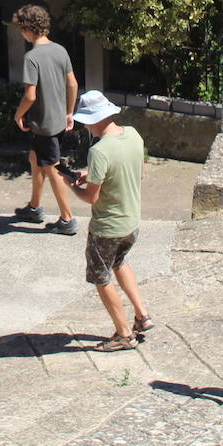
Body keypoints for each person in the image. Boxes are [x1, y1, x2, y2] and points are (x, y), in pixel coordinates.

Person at [66, 91, 153, 351]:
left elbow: (91, 198)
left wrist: (71, 185)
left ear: (93, 120)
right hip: (131, 222)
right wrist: (92, 176)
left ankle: (124, 333)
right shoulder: (133, 135)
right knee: (120, 262)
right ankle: (142, 315)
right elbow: (131, 172)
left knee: (100, 277)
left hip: (107, 228)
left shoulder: (99, 151)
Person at [10, 4, 79, 235]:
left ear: (28, 28)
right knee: (34, 158)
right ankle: (35, 207)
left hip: (44, 126)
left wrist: (18, 115)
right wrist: (69, 112)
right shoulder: (60, 50)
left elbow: (30, 96)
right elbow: (72, 84)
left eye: (21, 28)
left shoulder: (31, 58)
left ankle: (68, 219)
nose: (21, 33)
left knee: (53, 168)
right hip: (57, 120)